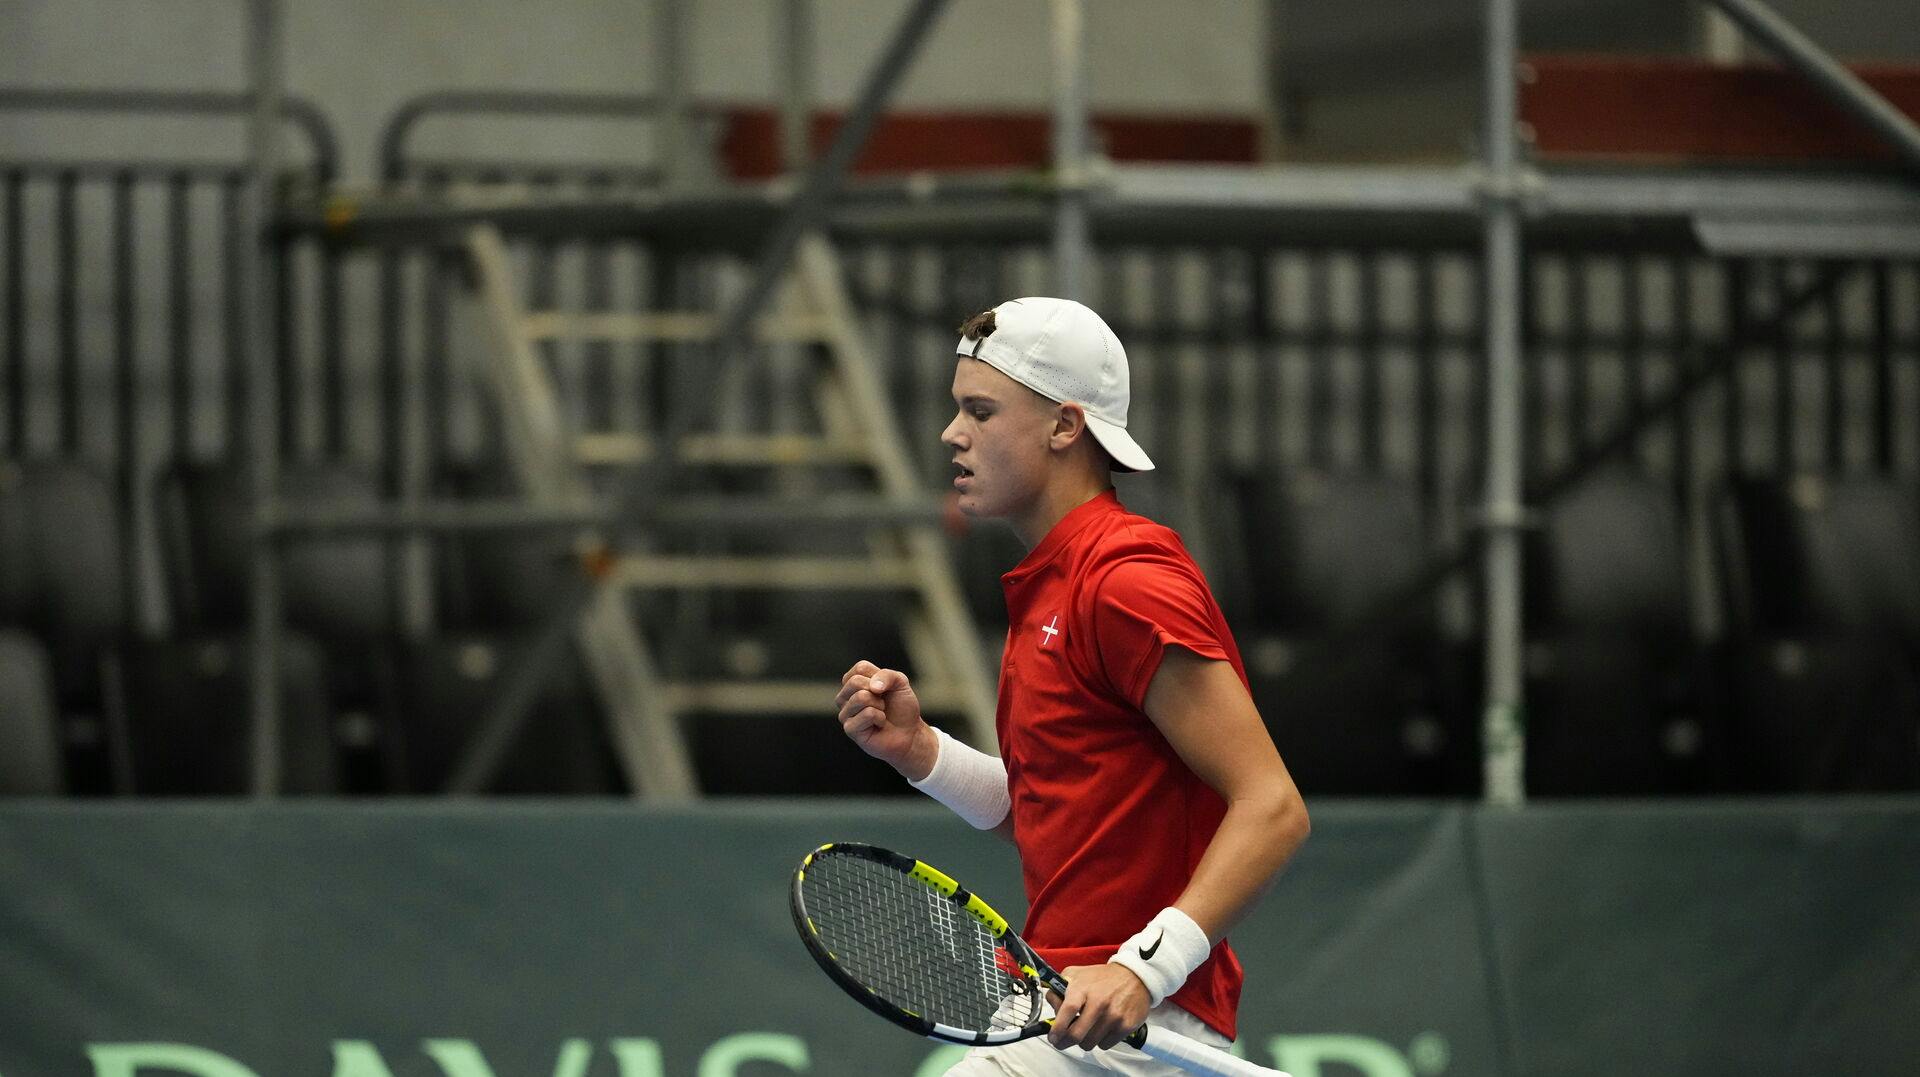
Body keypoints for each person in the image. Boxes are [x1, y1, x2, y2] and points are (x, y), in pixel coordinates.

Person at [834, 297, 1310, 1075]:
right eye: (958, 411)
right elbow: (1058, 814)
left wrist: (1142, 968)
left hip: (1140, 1024)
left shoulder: (1126, 581)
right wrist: (922, 753)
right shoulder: (1049, 586)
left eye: (980, 411)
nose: (953, 434)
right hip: (1071, 1008)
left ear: (1065, 426)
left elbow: (1273, 808)